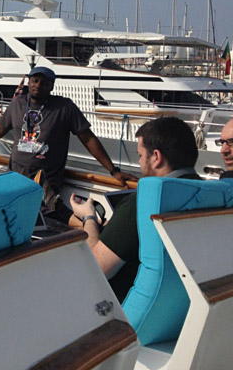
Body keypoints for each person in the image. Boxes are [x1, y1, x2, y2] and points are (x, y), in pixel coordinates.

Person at [0, 66, 133, 227]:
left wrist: (113, 171)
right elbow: (0, 128)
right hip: (17, 175)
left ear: (51, 86)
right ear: (28, 82)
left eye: (44, 82)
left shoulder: (64, 107)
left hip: (46, 179)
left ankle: (90, 226)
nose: (38, 85)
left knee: (48, 210)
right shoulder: (18, 103)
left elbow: (88, 139)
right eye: (35, 80)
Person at [70, 116, 201, 302]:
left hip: (121, 309)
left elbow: (97, 268)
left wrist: (89, 218)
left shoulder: (142, 203)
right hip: (181, 301)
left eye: (140, 155)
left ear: (156, 157)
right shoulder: (208, 194)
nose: (139, 163)